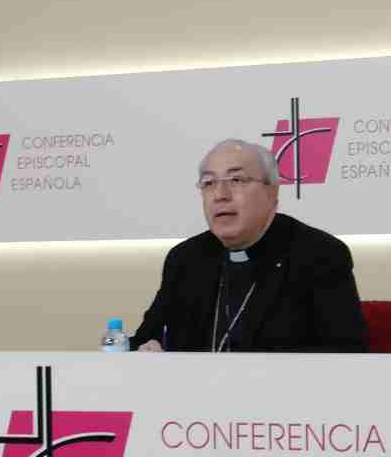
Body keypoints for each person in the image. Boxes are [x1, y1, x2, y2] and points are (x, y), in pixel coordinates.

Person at [129, 139, 366, 353]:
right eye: (209, 183)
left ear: (272, 191)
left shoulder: (320, 254)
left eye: (236, 180)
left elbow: (347, 353)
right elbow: (137, 341)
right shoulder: (185, 258)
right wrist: (120, 344)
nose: (220, 195)